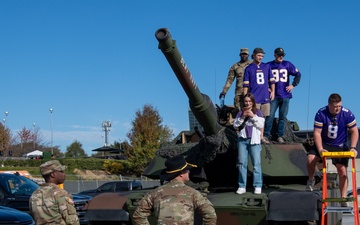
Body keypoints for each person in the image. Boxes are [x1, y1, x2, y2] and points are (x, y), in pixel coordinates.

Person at [306, 93, 358, 206]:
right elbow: (317, 133)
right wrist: (320, 149)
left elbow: (354, 131)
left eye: (339, 106)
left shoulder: (347, 113)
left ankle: (343, 198)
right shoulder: (321, 113)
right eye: (335, 107)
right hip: (324, 143)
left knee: (342, 171)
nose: (337, 109)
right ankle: (311, 180)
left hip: (340, 145)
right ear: (329, 105)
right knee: (310, 159)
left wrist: (353, 148)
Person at [132, 155, 217, 225]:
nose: (189, 172)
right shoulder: (192, 193)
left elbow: (138, 216)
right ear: (181, 174)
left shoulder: (154, 193)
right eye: (187, 170)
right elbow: (210, 215)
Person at [264, 47, 302, 143]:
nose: (281, 57)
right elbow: (261, 77)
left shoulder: (287, 64)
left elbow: (298, 74)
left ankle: (280, 136)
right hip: (273, 95)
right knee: (270, 115)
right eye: (279, 55)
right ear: (275, 55)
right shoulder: (269, 65)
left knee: (283, 116)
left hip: (285, 95)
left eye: (282, 55)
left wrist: (293, 85)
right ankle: (266, 135)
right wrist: (266, 87)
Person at [29, 160, 79, 225]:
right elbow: (72, 221)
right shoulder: (60, 194)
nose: (64, 174)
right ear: (53, 174)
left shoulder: (34, 194)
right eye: (61, 171)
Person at [233, 93, 265, 195]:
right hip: (243, 140)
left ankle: (258, 185)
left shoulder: (258, 112)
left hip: (254, 141)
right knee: (242, 163)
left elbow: (261, 124)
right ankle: (242, 186)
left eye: (249, 101)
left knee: (256, 164)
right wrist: (242, 116)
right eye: (246, 101)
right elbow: (235, 125)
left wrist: (252, 116)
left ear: (253, 102)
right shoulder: (240, 113)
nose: (247, 103)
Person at [243, 47, 275, 144]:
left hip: (265, 97)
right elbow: (246, 85)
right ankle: (252, 136)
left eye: (262, 56)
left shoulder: (266, 66)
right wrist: (245, 97)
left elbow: (272, 81)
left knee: (263, 118)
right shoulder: (248, 68)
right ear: (254, 55)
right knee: (252, 117)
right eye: (259, 55)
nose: (261, 57)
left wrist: (273, 91)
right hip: (254, 97)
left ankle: (261, 137)